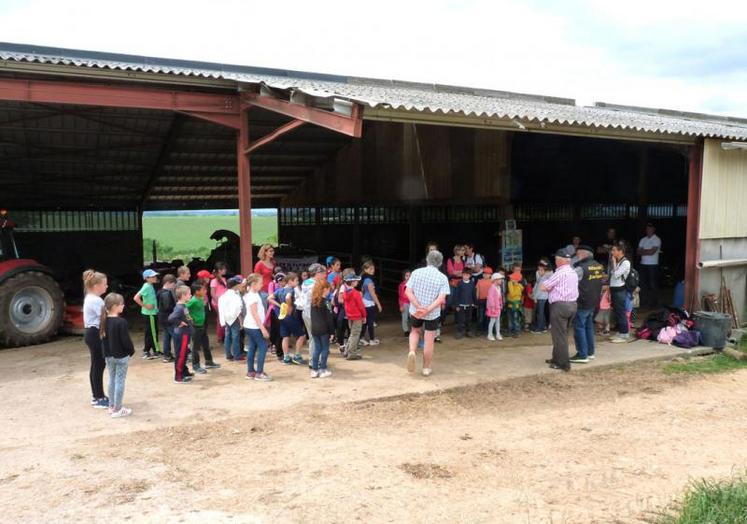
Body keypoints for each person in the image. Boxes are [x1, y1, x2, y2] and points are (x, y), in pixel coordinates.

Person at [405, 250, 450, 377]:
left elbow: (408, 292)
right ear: (440, 263)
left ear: (427, 259)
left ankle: (412, 351)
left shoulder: (416, 273)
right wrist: (428, 309)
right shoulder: (442, 278)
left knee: (414, 331)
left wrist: (418, 306)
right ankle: (426, 368)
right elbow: (441, 298)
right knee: (429, 339)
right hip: (432, 313)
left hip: (416, 311)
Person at [541, 248, 579, 372]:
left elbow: (543, 287)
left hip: (560, 306)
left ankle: (563, 363)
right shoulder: (573, 272)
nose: (555, 261)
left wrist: (545, 281)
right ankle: (556, 358)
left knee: (559, 335)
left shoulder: (559, 273)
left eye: (556, 259)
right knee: (561, 334)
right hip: (572, 305)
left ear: (560, 260)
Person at [99, 292, 134, 418]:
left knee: (112, 379)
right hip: (121, 357)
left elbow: (103, 340)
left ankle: (111, 406)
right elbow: (126, 341)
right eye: (121, 304)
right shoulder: (121, 322)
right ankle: (118, 409)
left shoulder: (103, 320)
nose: (123, 306)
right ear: (115, 306)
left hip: (109, 356)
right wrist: (131, 351)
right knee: (119, 381)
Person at [570, 245, 604, 363]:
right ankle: (590, 352)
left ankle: (582, 354)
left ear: (584, 255)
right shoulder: (599, 266)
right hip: (593, 302)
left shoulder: (580, 268)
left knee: (579, 327)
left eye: (578, 254)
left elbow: (569, 280)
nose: (577, 257)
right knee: (588, 327)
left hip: (582, 302)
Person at [82, 269, 108, 409]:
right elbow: (105, 317)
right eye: (104, 284)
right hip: (94, 333)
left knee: (96, 364)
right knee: (99, 365)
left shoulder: (90, 297)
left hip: (92, 333)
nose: (106, 286)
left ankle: (97, 395)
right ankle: (98, 397)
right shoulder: (95, 300)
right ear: (96, 285)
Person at [272, 272, 306, 365]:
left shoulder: (280, 290)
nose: (297, 282)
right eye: (296, 280)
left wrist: (279, 305)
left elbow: (269, 298)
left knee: (285, 336)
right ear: (290, 281)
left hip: (282, 315)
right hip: (290, 316)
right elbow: (288, 297)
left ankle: (286, 357)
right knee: (301, 336)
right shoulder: (291, 289)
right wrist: (289, 307)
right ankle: (297, 356)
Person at [243, 274, 272, 381]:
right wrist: (263, 328)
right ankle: (259, 372)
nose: (262, 285)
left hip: (250, 325)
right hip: (254, 326)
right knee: (263, 346)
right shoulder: (253, 296)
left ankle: (251, 371)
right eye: (260, 283)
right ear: (254, 284)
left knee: (252, 347)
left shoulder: (250, 294)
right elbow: (255, 313)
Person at [186, 282, 220, 372]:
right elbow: (184, 308)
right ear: (197, 292)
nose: (206, 291)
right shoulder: (193, 300)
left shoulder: (200, 298)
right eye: (203, 290)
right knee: (196, 347)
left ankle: (209, 361)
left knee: (206, 344)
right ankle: (196, 366)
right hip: (195, 327)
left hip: (202, 326)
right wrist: (189, 319)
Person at [300, 263, 327, 362]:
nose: (325, 275)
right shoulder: (316, 285)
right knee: (317, 338)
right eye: (323, 273)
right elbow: (318, 299)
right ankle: (315, 361)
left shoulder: (306, 282)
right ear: (318, 273)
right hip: (314, 314)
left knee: (312, 337)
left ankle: (313, 359)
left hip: (306, 313)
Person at [169, 285, 195, 384]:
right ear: (183, 295)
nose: (191, 295)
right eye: (189, 294)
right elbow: (171, 318)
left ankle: (184, 372)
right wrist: (180, 323)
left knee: (183, 354)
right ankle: (178, 376)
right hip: (182, 335)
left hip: (185, 334)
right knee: (181, 355)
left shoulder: (183, 305)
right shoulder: (180, 307)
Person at [133, 268, 160, 359]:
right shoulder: (147, 286)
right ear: (147, 278)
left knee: (149, 332)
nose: (155, 277)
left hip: (150, 313)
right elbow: (136, 298)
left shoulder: (149, 285)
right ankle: (156, 351)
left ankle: (146, 351)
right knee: (153, 332)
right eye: (153, 276)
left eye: (155, 276)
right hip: (150, 313)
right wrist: (145, 305)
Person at [309, 279, 334, 378]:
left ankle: (314, 370)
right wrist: (332, 332)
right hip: (324, 330)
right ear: (324, 289)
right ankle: (323, 369)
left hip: (314, 329)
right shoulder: (326, 302)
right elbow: (329, 318)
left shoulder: (313, 301)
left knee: (317, 349)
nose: (329, 292)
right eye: (328, 290)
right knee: (325, 349)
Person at [609, 242, 632, 343]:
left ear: (620, 251)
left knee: (621, 312)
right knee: (617, 312)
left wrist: (613, 262)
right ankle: (621, 331)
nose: (612, 252)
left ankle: (625, 334)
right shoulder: (619, 261)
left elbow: (617, 274)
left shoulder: (625, 262)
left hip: (620, 290)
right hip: (614, 289)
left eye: (614, 250)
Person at [218, 276, 244, 361]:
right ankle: (237, 355)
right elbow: (238, 309)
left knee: (227, 336)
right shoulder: (235, 296)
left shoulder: (223, 296)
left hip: (226, 318)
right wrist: (241, 320)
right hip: (234, 318)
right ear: (235, 285)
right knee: (235, 336)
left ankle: (228, 354)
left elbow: (221, 309)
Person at [637, 223, 661, 309]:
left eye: (650, 229)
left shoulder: (657, 239)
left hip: (653, 265)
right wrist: (647, 251)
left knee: (652, 284)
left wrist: (643, 251)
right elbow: (638, 252)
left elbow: (652, 252)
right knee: (643, 284)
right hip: (643, 264)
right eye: (647, 229)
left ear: (653, 229)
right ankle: (644, 302)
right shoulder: (643, 239)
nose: (648, 230)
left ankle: (653, 303)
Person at [342, 273, 366, 360]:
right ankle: (352, 354)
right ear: (352, 282)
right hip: (357, 316)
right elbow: (361, 306)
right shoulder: (356, 293)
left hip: (349, 316)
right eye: (356, 281)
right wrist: (364, 316)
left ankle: (347, 351)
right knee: (355, 335)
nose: (357, 282)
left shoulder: (345, 292)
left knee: (352, 334)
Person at [360, 261, 382, 345]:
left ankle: (362, 338)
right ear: (365, 269)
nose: (373, 270)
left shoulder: (363, 278)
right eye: (370, 269)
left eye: (373, 268)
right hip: (369, 302)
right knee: (370, 321)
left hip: (364, 301)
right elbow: (372, 294)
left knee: (365, 321)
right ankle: (372, 339)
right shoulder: (369, 280)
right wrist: (379, 304)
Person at [157, 274, 177, 363]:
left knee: (166, 336)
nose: (174, 287)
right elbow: (167, 306)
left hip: (162, 317)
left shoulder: (159, 291)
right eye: (173, 285)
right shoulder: (166, 293)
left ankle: (167, 355)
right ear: (168, 283)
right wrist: (175, 308)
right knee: (176, 335)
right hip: (168, 318)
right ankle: (181, 353)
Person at [453, 268, 477, 339]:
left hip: (469, 304)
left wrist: (475, 303)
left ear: (470, 276)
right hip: (461, 305)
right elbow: (456, 295)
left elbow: (473, 294)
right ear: (462, 275)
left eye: (467, 275)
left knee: (468, 319)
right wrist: (457, 305)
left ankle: (468, 331)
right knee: (460, 319)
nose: (465, 276)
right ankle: (460, 332)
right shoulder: (460, 283)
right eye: (464, 275)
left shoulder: (472, 283)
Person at [531, 259, 552, 334]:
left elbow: (541, 287)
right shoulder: (539, 274)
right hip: (540, 296)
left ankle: (540, 328)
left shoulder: (549, 274)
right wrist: (534, 294)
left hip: (543, 296)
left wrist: (535, 296)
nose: (539, 271)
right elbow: (537, 284)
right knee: (540, 312)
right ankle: (542, 327)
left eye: (541, 269)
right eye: (538, 269)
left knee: (540, 312)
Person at [210, 262, 229, 343]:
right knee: (220, 319)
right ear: (219, 270)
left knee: (224, 318)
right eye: (223, 269)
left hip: (224, 302)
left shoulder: (224, 279)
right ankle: (220, 337)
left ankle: (224, 335)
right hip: (217, 303)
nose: (225, 270)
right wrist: (219, 302)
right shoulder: (214, 281)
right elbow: (212, 293)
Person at [506, 264, 525, 338]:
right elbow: (507, 292)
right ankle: (510, 331)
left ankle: (517, 331)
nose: (517, 271)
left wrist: (513, 284)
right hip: (509, 303)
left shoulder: (521, 282)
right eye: (515, 270)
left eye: (519, 270)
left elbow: (515, 293)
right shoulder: (510, 282)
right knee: (510, 318)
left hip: (516, 304)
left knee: (515, 318)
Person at [486, 272, 504, 341]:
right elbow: (490, 298)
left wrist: (501, 304)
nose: (501, 280)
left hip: (498, 307)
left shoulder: (498, 287)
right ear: (495, 280)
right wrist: (492, 307)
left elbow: (499, 297)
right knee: (492, 321)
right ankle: (489, 334)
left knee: (497, 321)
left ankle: (498, 334)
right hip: (493, 308)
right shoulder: (492, 288)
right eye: (499, 279)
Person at [475, 267, 493, 334]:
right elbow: (477, 292)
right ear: (482, 274)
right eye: (485, 273)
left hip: (489, 301)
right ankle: (479, 330)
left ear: (491, 275)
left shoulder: (492, 282)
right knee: (480, 316)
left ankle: (486, 329)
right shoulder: (479, 281)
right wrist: (476, 301)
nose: (486, 275)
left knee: (488, 316)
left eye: (488, 274)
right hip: (481, 301)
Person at [398, 270, 412, 337]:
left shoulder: (413, 284)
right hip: (405, 303)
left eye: (410, 275)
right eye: (407, 276)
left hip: (412, 303)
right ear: (404, 276)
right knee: (405, 318)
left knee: (413, 318)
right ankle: (406, 331)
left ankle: (413, 330)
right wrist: (401, 305)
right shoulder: (401, 285)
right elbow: (400, 296)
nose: (408, 277)